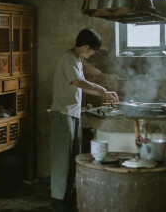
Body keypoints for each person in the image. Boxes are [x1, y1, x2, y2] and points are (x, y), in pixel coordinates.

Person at [49, 28, 119, 211]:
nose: (93, 54)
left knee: (74, 158)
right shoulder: (68, 58)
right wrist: (101, 89)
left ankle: (66, 196)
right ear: (86, 46)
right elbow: (78, 82)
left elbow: (81, 86)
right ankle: (57, 201)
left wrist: (105, 93)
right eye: (93, 50)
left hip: (73, 113)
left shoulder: (77, 61)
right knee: (61, 160)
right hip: (62, 113)